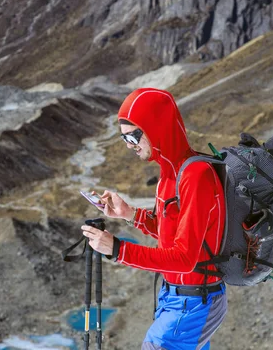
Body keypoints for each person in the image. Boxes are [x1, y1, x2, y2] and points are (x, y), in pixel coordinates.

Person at [81, 88, 227, 350]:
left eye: (134, 135)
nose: (128, 144)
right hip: (175, 297)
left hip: (194, 302)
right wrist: (130, 214)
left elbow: (184, 257)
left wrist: (118, 249)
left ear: (156, 127)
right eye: (123, 137)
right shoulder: (169, 175)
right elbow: (170, 230)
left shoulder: (196, 175)